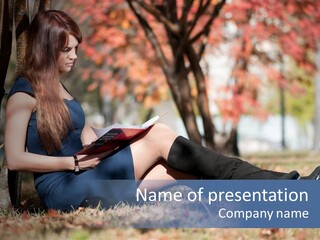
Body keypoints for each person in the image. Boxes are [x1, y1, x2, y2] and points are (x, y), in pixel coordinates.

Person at [5, 10, 320, 211]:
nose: (74, 56)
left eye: (76, 48)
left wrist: (122, 134)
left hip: (88, 173)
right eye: (67, 50)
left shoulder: (61, 88)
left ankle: (283, 194)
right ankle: (295, 184)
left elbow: (86, 138)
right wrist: (71, 161)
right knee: (160, 138)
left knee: (180, 175)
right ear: (48, 49)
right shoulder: (24, 93)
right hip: (64, 190)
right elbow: (15, 159)